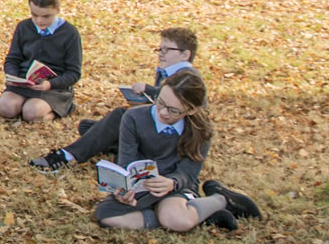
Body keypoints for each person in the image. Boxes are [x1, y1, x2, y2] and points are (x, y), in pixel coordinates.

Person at [92, 72, 260, 232]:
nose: (163, 112)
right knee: (106, 216)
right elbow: (125, 163)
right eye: (161, 102)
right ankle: (196, 215)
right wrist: (123, 191)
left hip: (175, 185)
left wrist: (171, 183)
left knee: (176, 220)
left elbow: (188, 172)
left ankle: (221, 199)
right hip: (142, 189)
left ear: (192, 110)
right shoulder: (133, 117)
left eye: (173, 110)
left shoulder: (201, 129)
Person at [31, 27, 196, 171]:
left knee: (118, 117)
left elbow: (181, 114)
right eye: (160, 49)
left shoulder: (188, 78)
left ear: (185, 54)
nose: (161, 54)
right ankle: (112, 142)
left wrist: (149, 90)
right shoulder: (168, 72)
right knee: (88, 126)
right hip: (154, 129)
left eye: (167, 50)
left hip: (167, 141)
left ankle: (67, 155)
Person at [0, 0, 83, 123]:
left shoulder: (70, 33)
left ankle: (56, 110)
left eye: (46, 16)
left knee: (31, 113)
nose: (39, 21)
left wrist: (50, 84)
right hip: (23, 83)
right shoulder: (23, 27)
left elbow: (74, 72)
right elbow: (12, 59)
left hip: (54, 88)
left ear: (57, 10)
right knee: (6, 109)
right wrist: (12, 75)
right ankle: (29, 105)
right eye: (34, 15)